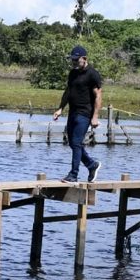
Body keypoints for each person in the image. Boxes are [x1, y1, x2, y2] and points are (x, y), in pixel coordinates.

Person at [53, 45, 103, 183]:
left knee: (76, 143)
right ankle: (92, 165)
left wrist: (95, 116)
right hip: (73, 112)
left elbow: (98, 96)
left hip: (85, 113)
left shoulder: (92, 74)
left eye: (76, 60)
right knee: (73, 143)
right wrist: (60, 109)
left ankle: (73, 175)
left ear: (84, 58)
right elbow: (67, 92)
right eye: (72, 60)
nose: (74, 62)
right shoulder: (73, 73)